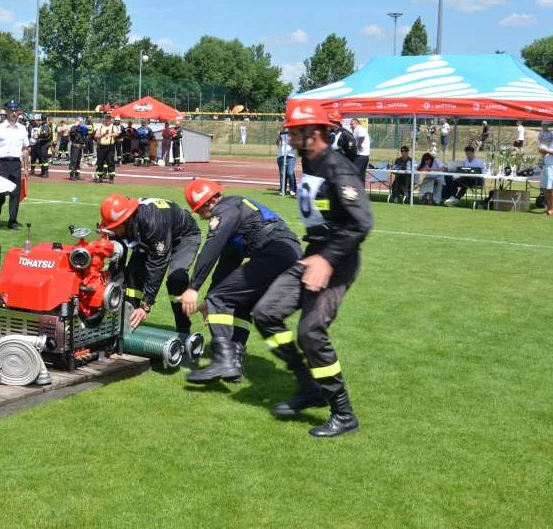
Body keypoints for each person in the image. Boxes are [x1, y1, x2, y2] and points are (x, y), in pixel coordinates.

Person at [252, 104, 373, 438]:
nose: (289, 138)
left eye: (294, 132)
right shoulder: (310, 162)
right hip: (313, 254)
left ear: (313, 133)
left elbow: (362, 221)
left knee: (310, 332)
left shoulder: (338, 169)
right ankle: (309, 385)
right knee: (265, 313)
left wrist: (327, 259)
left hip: (338, 259)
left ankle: (343, 412)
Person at [179, 179, 301, 384]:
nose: (201, 217)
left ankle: (222, 360)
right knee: (240, 302)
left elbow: (211, 247)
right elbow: (227, 265)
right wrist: (211, 297)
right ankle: (234, 361)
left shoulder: (224, 210)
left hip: (276, 253)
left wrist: (194, 288)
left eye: (199, 211)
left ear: (208, 203)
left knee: (219, 298)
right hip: (285, 255)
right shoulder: (236, 210)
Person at [98, 195, 201, 336]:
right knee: (132, 275)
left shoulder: (152, 223)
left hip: (183, 237)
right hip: (149, 237)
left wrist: (145, 306)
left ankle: (183, 329)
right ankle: (127, 325)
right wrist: (112, 283)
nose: (113, 231)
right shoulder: (117, 221)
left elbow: (157, 265)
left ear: (126, 220)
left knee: (176, 280)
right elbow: (118, 256)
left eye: (115, 228)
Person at [0, 100, 31, 229]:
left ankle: (12, 220)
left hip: (15, 164)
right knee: (0, 194)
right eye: (11, 110)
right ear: (6, 112)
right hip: (1, 163)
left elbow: (25, 149)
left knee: (15, 194)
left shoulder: (22, 129)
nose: (14, 113)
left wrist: (26, 167)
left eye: (16, 110)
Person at [92, 113, 117, 183]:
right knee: (100, 162)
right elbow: (96, 136)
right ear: (104, 120)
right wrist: (102, 135)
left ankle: (111, 178)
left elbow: (117, 133)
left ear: (110, 120)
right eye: (106, 119)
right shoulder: (101, 127)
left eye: (109, 119)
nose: (108, 120)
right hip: (101, 147)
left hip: (110, 147)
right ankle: (100, 177)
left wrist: (110, 134)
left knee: (110, 162)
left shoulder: (113, 127)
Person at [276, 123, 296, 196]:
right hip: (281, 154)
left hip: (291, 155)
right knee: (282, 173)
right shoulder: (281, 133)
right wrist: (279, 136)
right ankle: (282, 189)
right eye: (283, 126)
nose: (285, 127)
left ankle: (292, 189)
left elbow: (295, 144)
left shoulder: (293, 133)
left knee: (290, 172)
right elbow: (278, 144)